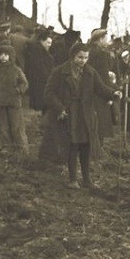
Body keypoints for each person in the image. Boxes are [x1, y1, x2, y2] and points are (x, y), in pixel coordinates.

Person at [43, 42, 121, 189]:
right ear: (73, 56)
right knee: (73, 145)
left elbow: (101, 88)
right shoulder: (59, 72)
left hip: (86, 114)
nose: (83, 61)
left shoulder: (90, 72)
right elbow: (49, 93)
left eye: (86, 58)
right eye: (80, 57)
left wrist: (113, 93)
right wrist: (59, 108)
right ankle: (73, 179)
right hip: (68, 113)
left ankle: (87, 179)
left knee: (86, 145)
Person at [0, 44, 29, 154]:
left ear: (11, 56)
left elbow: (24, 83)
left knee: (16, 125)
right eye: (1, 54)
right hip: (2, 102)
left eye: (6, 55)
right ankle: (6, 146)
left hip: (14, 103)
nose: (3, 57)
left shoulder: (16, 70)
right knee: (3, 126)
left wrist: (18, 90)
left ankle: (20, 147)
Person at [87, 28, 117, 143]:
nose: (107, 40)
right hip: (99, 91)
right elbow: (103, 76)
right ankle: (97, 149)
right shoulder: (102, 53)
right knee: (100, 120)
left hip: (88, 89)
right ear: (100, 39)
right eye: (106, 38)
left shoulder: (89, 50)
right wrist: (109, 93)